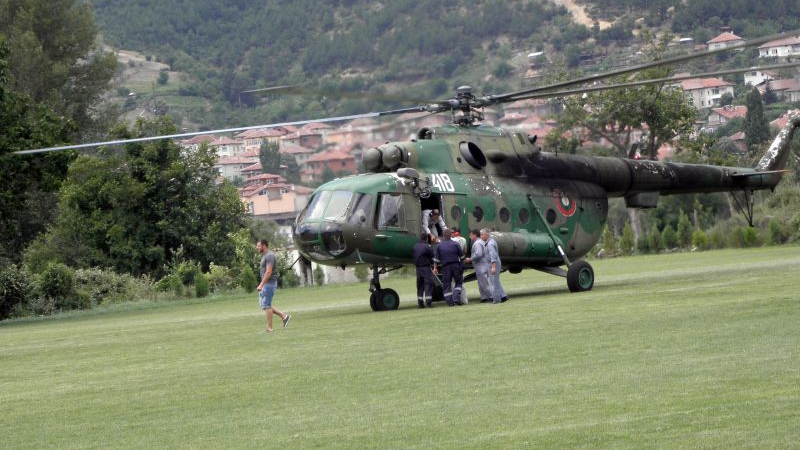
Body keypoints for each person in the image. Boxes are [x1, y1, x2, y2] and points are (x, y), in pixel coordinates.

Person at [256, 239, 291, 332]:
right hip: (266, 284)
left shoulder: (269, 256)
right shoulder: (265, 256)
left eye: (258, 246)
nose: (257, 248)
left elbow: (269, 272)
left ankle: (269, 328)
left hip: (269, 283)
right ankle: (284, 316)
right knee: (264, 305)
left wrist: (261, 284)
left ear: (264, 246)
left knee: (266, 305)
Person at [433, 229, 464, 307]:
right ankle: (456, 298)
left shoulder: (439, 246)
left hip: (445, 267)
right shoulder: (456, 244)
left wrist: (435, 268)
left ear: (443, 236)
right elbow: (462, 257)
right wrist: (462, 266)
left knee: (446, 285)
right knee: (459, 282)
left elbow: (436, 260)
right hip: (455, 266)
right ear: (451, 235)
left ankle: (450, 302)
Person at [465, 229, 493, 302]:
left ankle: (491, 297)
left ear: (474, 235)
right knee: (481, 283)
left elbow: (478, 254)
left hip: (481, 267)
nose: (470, 237)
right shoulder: (481, 242)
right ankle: (484, 298)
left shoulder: (477, 243)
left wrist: (470, 259)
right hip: (484, 266)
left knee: (484, 284)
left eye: (471, 235)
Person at [483, 228, 508, 303]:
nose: (481, 236)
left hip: (493, 264)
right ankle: (503, 296)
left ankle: (497, 299)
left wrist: (493, 267)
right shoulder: (491, 241)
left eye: (482, 234)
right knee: (496, 281)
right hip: (495, 263)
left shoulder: (490, 244)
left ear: (487, 235)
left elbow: (493, 256)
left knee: (493, 282)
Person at [412, 233, 436, 308]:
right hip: (425, 268)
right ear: (426, 239)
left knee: (420, 286)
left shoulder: (415, 247)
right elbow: (432, 255)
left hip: (418, 269)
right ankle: (428, 303)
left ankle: (420, 303)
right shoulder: (426, 246)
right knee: (428, 284)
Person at [451, 228, 469, 304]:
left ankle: (455, 298)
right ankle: (464, 300)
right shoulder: (464, 239)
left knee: (453, 282)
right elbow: (465, 251)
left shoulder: (452, 240)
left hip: (454, 262)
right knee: (461, 282)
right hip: (461, 262)